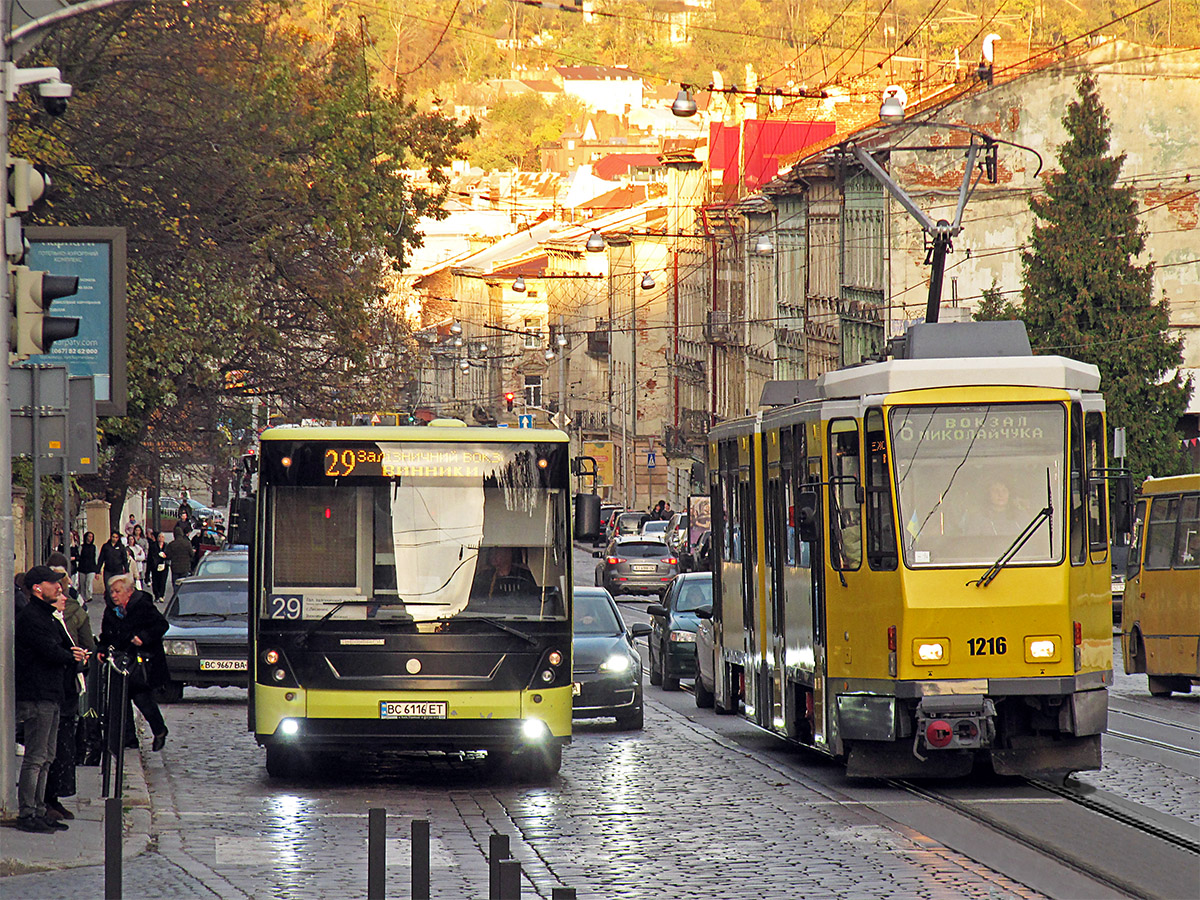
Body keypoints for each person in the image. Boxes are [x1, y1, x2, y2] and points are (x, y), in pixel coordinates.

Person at [14, 565, 90, 833]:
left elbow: (61, 646)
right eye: (53, 584)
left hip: (52, 694)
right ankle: (27, 812)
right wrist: (71, 656)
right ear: (38, 588)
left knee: (47, 755)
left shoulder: (47, 616)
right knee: (36, 757)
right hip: (37, 695)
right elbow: (50, 651)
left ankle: (40, 808)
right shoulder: (31, 617)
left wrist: (74, 654)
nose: (59, 588)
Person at [43, 559, 97, 823]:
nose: (62, 595)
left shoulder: (69, 612)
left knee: (60, 745)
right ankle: (45, 800)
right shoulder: (46, 618)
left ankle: (53, 797)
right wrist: (74, 658)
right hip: (55, 689)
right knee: (49, 748)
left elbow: (85, 645)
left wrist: (79, 658)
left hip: (66, 686)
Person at [99, 573, 170, 751]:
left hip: (141, 662)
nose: (113, 595)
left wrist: (143, 637)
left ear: (129, 592)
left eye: (117, 591)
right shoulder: (111, 611)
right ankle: (129, 740)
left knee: (142, 699)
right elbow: (106, 636)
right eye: (111, 592)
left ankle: (159, 730)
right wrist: (101, 650)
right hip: (120, 662)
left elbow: (161, 625)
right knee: (121, 702)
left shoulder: (143, 606)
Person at [472, 546, 537, 599]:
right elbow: (476, 598)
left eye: (497, 549)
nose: (492, 553)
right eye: (491, 550)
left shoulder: (523, 575)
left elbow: (533, 598)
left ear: (509, 552)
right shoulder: (484, 576)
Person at [98, 531, 129, 595]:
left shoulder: (121, 547)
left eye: (116, 537)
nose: (114, 539)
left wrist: (127, 570)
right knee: (108, 587)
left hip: (118, 570)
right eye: (113, 537)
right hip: (108, 570)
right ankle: (109, 601)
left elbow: (124, 559)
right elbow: (101, 559)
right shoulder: (106, 546)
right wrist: (98, 570)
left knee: (117, 587)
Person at [166, 525, 193, 594]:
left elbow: (168, 556)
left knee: (176, 584)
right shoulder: (187, 543)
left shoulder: (172, 544)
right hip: (185, 567)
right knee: (183, 584)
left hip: (175, 567)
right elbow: (192, 554)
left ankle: (176, 597)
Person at [148, 530, 170, 603]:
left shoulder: (167, 546)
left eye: (162, 537)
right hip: (155, 566)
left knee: (163, 581)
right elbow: (151, 556)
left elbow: (169, 555)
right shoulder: (153, 546)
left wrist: (165, 557)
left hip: (164, 566)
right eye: (159, 537)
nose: (161, 538)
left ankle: (161, 595)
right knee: (155, 581)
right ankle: (156, 595)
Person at [77, 532, 99, 599]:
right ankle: (82, 597)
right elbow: (79, 556)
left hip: (91, 568)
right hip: (82, 567)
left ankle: (88, 596)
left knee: (89, 582)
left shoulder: (94, 547)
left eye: (91, 537)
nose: (90, 538)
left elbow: (96, 558)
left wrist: (97, 570)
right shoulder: (81, 547)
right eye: (89, 536)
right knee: (82, 583)